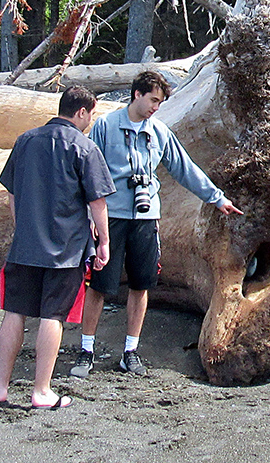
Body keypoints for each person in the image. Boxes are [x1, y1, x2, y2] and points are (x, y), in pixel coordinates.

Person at [71, 69, 242, 379]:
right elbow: (87, 171)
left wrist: (217, 198)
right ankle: (86, 350)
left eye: (161, 102)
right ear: (136, 94)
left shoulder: (159, 131)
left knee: (142, 284)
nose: (155, 107)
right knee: (99, 285)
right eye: (153, 100)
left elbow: (184, 169)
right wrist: (87, 215)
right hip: (111, 218)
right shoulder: (106, 127)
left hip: (146, 219)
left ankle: (130, 352)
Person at [0, 86, 115, 409]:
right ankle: (41, 391)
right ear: (82, 112)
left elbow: (13, 194)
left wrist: (23, 229)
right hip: (67, 249)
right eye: (91, 115)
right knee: (52, 316)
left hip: (26, 246)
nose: (90, 121)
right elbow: (97, 201)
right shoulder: (83, 147)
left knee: (14, 312)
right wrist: (104, 242)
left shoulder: (26, 140)